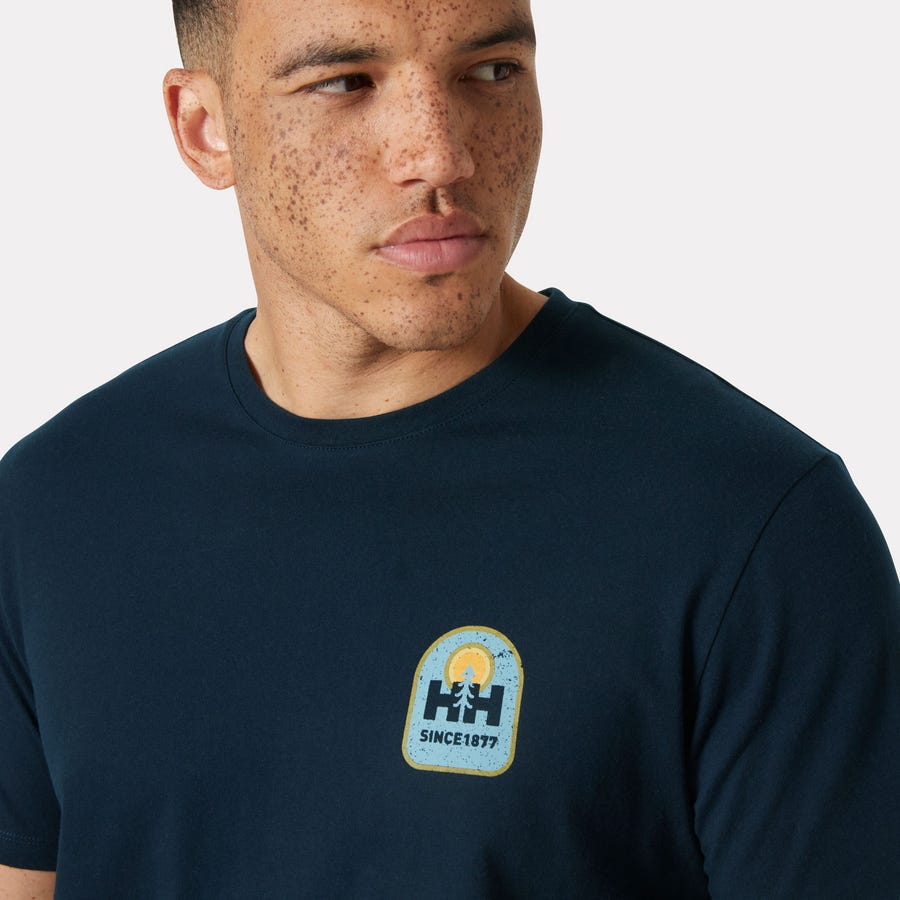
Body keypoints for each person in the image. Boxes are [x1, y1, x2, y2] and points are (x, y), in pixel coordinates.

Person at [1, 0, 898, 897]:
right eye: (345, 84)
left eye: (491, 72)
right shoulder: (51, 508)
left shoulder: (756, 530)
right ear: (205, 129)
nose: (440, 155)